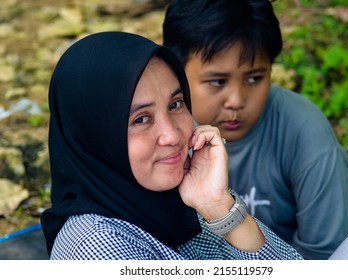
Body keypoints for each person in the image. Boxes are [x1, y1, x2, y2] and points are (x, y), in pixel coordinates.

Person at [40, 31, 303, 260]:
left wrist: (220, 208)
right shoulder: (97, 247)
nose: (172, 136)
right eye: (141, 119)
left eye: (175, 104)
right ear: (94, 138)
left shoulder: (185, 196)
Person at [162, 0, 348, 259]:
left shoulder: (304, 132)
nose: (236, 100)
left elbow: (324, 253)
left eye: (254, 78)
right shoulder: (163, 136)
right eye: (217, 81)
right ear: (176, 71)